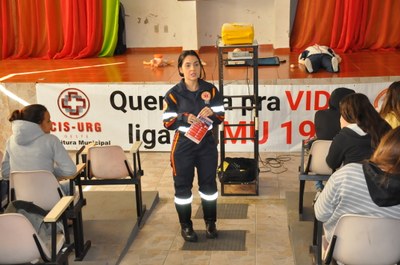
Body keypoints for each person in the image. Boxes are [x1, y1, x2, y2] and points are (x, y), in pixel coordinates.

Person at [162, 50, 225, 242]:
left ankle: (210, 223)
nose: (193, 69)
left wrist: (212, 115)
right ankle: (186, 226)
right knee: (182, 189)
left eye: (196, 64)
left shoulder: (211, 90)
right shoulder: (173, 94)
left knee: (209, 186)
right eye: (188, 65)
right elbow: (167, 121)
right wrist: (183, 117)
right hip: (183, 146)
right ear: (180, 69)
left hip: (206, 144)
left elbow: (221, 116)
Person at [315, 127, 400, 244]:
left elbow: (321, 214)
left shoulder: (347, 175)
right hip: (392, 256)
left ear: (386, 145)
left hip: (342, 252)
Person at [1, 104, 77, 194]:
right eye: (48, 121)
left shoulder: (10, 141)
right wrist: (49, 173)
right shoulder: (51, 140)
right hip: (51, 198)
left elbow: (5, 173)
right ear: (38, 124)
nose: (52, 125)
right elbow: (70, 170)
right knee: (71, 186)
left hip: (21, 198)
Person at [326, 93, 391, 171]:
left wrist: (344, 128)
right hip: (385, 180)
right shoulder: (385, 128)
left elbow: (332, 163)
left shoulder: (344, 136)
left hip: (354, 180)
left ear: (346, 114)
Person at [311, 87, 355, 192]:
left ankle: (318, 185)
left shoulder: (319, 114)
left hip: (319, 163)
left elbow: (321, 134)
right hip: (343, 165)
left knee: (314, 145)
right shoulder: (351, 118)